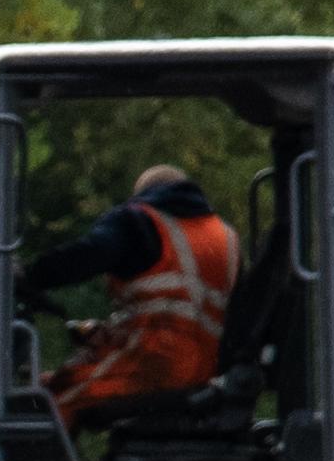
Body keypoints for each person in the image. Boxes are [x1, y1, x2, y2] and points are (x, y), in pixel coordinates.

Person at [22, 165, 240, 416]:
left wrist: (30, 275)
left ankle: (24, 457)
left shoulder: (137, 221)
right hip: (207, 374)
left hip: (152, 364)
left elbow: (88, 255)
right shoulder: (226, 237)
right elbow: (180, 310)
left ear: (145, 195)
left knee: (49, 399)